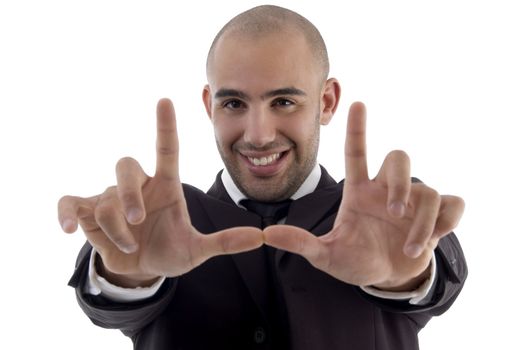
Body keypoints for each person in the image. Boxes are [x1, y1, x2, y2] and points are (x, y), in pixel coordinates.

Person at [58, 5, 467, 350]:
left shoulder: (385, 216)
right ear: (210, 106)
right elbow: (109, 304)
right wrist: (127, 276)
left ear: (326, 102)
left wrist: (409, 274)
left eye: (284, 101)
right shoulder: (161, 217)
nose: (258, 135)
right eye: (234, 102)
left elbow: (436, 280)